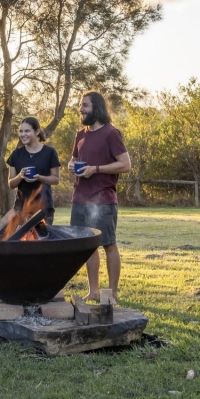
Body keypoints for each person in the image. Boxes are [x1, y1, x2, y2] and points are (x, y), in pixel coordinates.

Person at [68, 91, 130, 304]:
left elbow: (125, 164)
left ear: (97, 108)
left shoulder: (111, 133)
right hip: (80, 198)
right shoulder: (80, 134)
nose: (81, 109)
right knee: (87, 244)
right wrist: (70, 165)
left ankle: (112, 293)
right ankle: (93, 291)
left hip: (103, 199)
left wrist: (96, 169)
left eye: (85, 105)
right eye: (80, 105)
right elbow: (74, 159)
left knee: (108, 244)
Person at [6, 117, 61, 224]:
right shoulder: (16, 154)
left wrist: (39, 177)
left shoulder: (49, 152)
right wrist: (20, 176)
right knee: (21, 240)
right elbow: (11, 184)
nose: (23, 134)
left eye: (27, 131)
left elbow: (56, 179)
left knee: (42, 240)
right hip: (21, 209)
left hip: (44, 208)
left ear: (37, 131)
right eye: (21, 131)